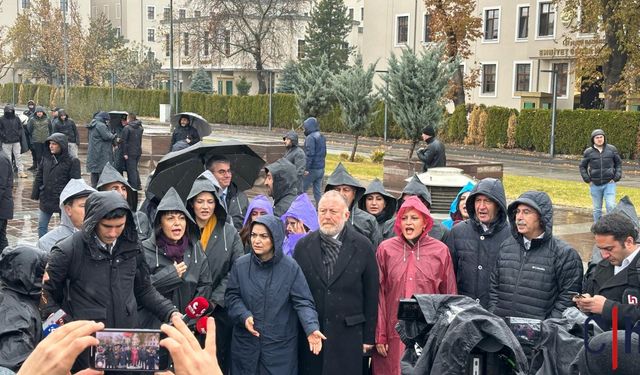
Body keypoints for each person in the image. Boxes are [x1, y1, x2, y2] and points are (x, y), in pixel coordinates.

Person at [44, 191, 179, 371]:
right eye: (107, 226)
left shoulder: (133, 246)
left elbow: (144, 289)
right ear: (93, 221)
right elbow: (45, 296)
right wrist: (69, 328)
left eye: (119, 226)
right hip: (87, 344)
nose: (113, 232)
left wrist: (170, 312)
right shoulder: (67, 250)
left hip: (128, 341)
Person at [225, 214, 325, 374]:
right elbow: (231, 297)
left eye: (263, 236)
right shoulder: (241, 265)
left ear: (275, 238)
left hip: (279, 350)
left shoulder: (290, 268)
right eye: (253, 235)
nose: (256, 240)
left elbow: (303, 302)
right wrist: (244, 316)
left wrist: (311, 327)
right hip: (246, 348)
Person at [294, 191, 379, 375]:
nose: (327, 216)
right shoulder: (303, 246)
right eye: (322, 211)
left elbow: (372, 294)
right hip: (313, 334)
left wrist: (369, 336)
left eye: (333, 211)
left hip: (350, 334)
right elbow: (297, 292)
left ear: (346, 215)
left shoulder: (363, 246)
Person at [372, 196, 457, 374]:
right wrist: (380, 334)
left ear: (425, 222)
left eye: (414, 218)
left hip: (427, 334)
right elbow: (378, 293)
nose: (408, 223)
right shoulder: (385, 249)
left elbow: (449, 296)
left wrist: (444, 337)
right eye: (404, 218)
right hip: (391, 333)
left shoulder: (440, 251)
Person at [488, 191, 583, 320]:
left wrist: (546, 328)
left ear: (541, 217)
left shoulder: (564, 254)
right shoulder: (506, 246)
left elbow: (568, 298)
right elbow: (494, 287)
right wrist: (495, 314)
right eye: (517, 211)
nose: (519, 217)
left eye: (526, 212)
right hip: (502, 331)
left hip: (541, 336)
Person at [187, 175, 244, 374]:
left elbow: (236, 270)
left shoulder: (230, 233)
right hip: (187, 309)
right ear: (191, 203)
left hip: (218, 311)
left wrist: (213, 301)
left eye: (210, 201)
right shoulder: (182, 229)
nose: (205, 206)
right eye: (200, 201)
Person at [139, 187, 212, 328]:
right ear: (160, 223)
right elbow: (140, 290)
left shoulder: (196, 249)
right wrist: (170, 275)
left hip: (186, 328)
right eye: (170, 218)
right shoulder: (144, 250)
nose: (177, 223)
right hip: (153, 328)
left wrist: (187, 322)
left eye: (181, 218)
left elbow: (205, 286)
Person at [445, 178, 511, 308]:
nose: (481, 207)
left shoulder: (512, 236)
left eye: (487, 201)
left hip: (497, 314)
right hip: (462, 312)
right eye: (477, 201)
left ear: (498, 205)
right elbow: (448, 277)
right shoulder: (457, 232)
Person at [577, 213, 640, 330]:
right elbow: (592, 297)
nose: (604, 255)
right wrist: (587, 304)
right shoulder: (601, 266)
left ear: (629, 242)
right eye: (600, 249)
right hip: (598, 341)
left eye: (609, 249)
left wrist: (608, 309)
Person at [0, 245, 47, 372]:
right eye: (42, 272)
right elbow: (14, 365)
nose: (47, 277)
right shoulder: (19, 314)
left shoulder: (11, 295)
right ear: (29, 275)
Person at [31, 133, 81, 238]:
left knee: (67, 227)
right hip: (47, 197)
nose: (51, 146)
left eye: (54, 144)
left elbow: (76, 183)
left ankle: (65, 249)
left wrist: (73, 201)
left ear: (61, 145)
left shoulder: (72, 161)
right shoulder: (46, 158)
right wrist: (35, 193)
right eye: (50, 143)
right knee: (42, 226)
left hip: (63, 200)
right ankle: (43, 249)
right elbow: (39, 176)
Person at [324, 162, 382, 247]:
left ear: (354, 194)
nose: (341, 193)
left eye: (346, 190)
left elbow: (376, 251)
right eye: (337, 189)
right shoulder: (322, 217)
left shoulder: (368, 220)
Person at [97, 162, 152, 241]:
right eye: (114, 189)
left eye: (123, 189)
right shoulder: (95, 220)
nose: (121, 193)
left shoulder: (140, 218)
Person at [37, 179, 96, 252]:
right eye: (83, 206)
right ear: (68, 210)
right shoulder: (48, 243)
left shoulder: (105, 235)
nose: (89, 209)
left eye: (92, 205)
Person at [579, 129, 622, 222]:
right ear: (593, 139)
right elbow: (582, 166)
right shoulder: (588, 152)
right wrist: (588, 180)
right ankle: (598, 229)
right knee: (597, 209)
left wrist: (616, 177)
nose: (599, 139)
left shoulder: (612, 149)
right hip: (595, 184)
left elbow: (618, 164)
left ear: (604, 138)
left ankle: (612, 227)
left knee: (611, 205)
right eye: (597, 137)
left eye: (601, 137)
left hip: (609, 183)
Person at [393, 175, 449, 242]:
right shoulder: (388, 227)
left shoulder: (441, 231)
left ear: (426, 204)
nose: (411, 205)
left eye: (416, 202)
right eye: (406, 201)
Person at [207, 155, 249, 231]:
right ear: (211, 175)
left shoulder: (241, 198)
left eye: (229, 171)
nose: (227, 175)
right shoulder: (204, 198)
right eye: (222, 172)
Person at [86, 111, 115, 188]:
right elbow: (108, 136)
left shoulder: (93, 124)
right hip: (101, 152)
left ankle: (93, 188)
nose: (108, 121)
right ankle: (101, 189)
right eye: (107, 120)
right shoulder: (101, 125)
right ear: (104, 119)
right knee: (102, 171)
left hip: (94, 151)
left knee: (94, 171)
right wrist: (114, 135)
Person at [302, 117, 327, 205]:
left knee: (301, 189)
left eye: (305, 127)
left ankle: (300, 208)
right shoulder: (321, 136)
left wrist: (306, 168)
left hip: (312, 169)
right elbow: (324, 152)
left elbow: (310, 154)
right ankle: (320, 208)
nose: (304, 129)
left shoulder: (310, 138)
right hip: (321, 167)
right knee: (317, 191)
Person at [0, 105, 27, 178]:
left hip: (16, 141)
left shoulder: (17, 118)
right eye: (8, 111)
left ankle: (21, 172)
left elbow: (20, 128)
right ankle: (9, 172)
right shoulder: (1, 119)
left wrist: (18, 135)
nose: (10, 112)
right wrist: (4, 136)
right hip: (6, 142)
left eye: (11, 111)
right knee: (8, 158)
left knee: (18, 156)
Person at [121, 112, 144, 190]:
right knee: (134, 168)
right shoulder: (140, 128)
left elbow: (124, 142)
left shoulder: (127, 128)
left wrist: (125, 153)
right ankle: (138, 184)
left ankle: (133, 186)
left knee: (131, 170)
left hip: (130, 152)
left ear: (129, 119)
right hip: (138, 151)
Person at [0, 151, 12, 252]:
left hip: (2, 206)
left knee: (2, 238)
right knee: (2, 237)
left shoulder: (2, 159)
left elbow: (1, 185)